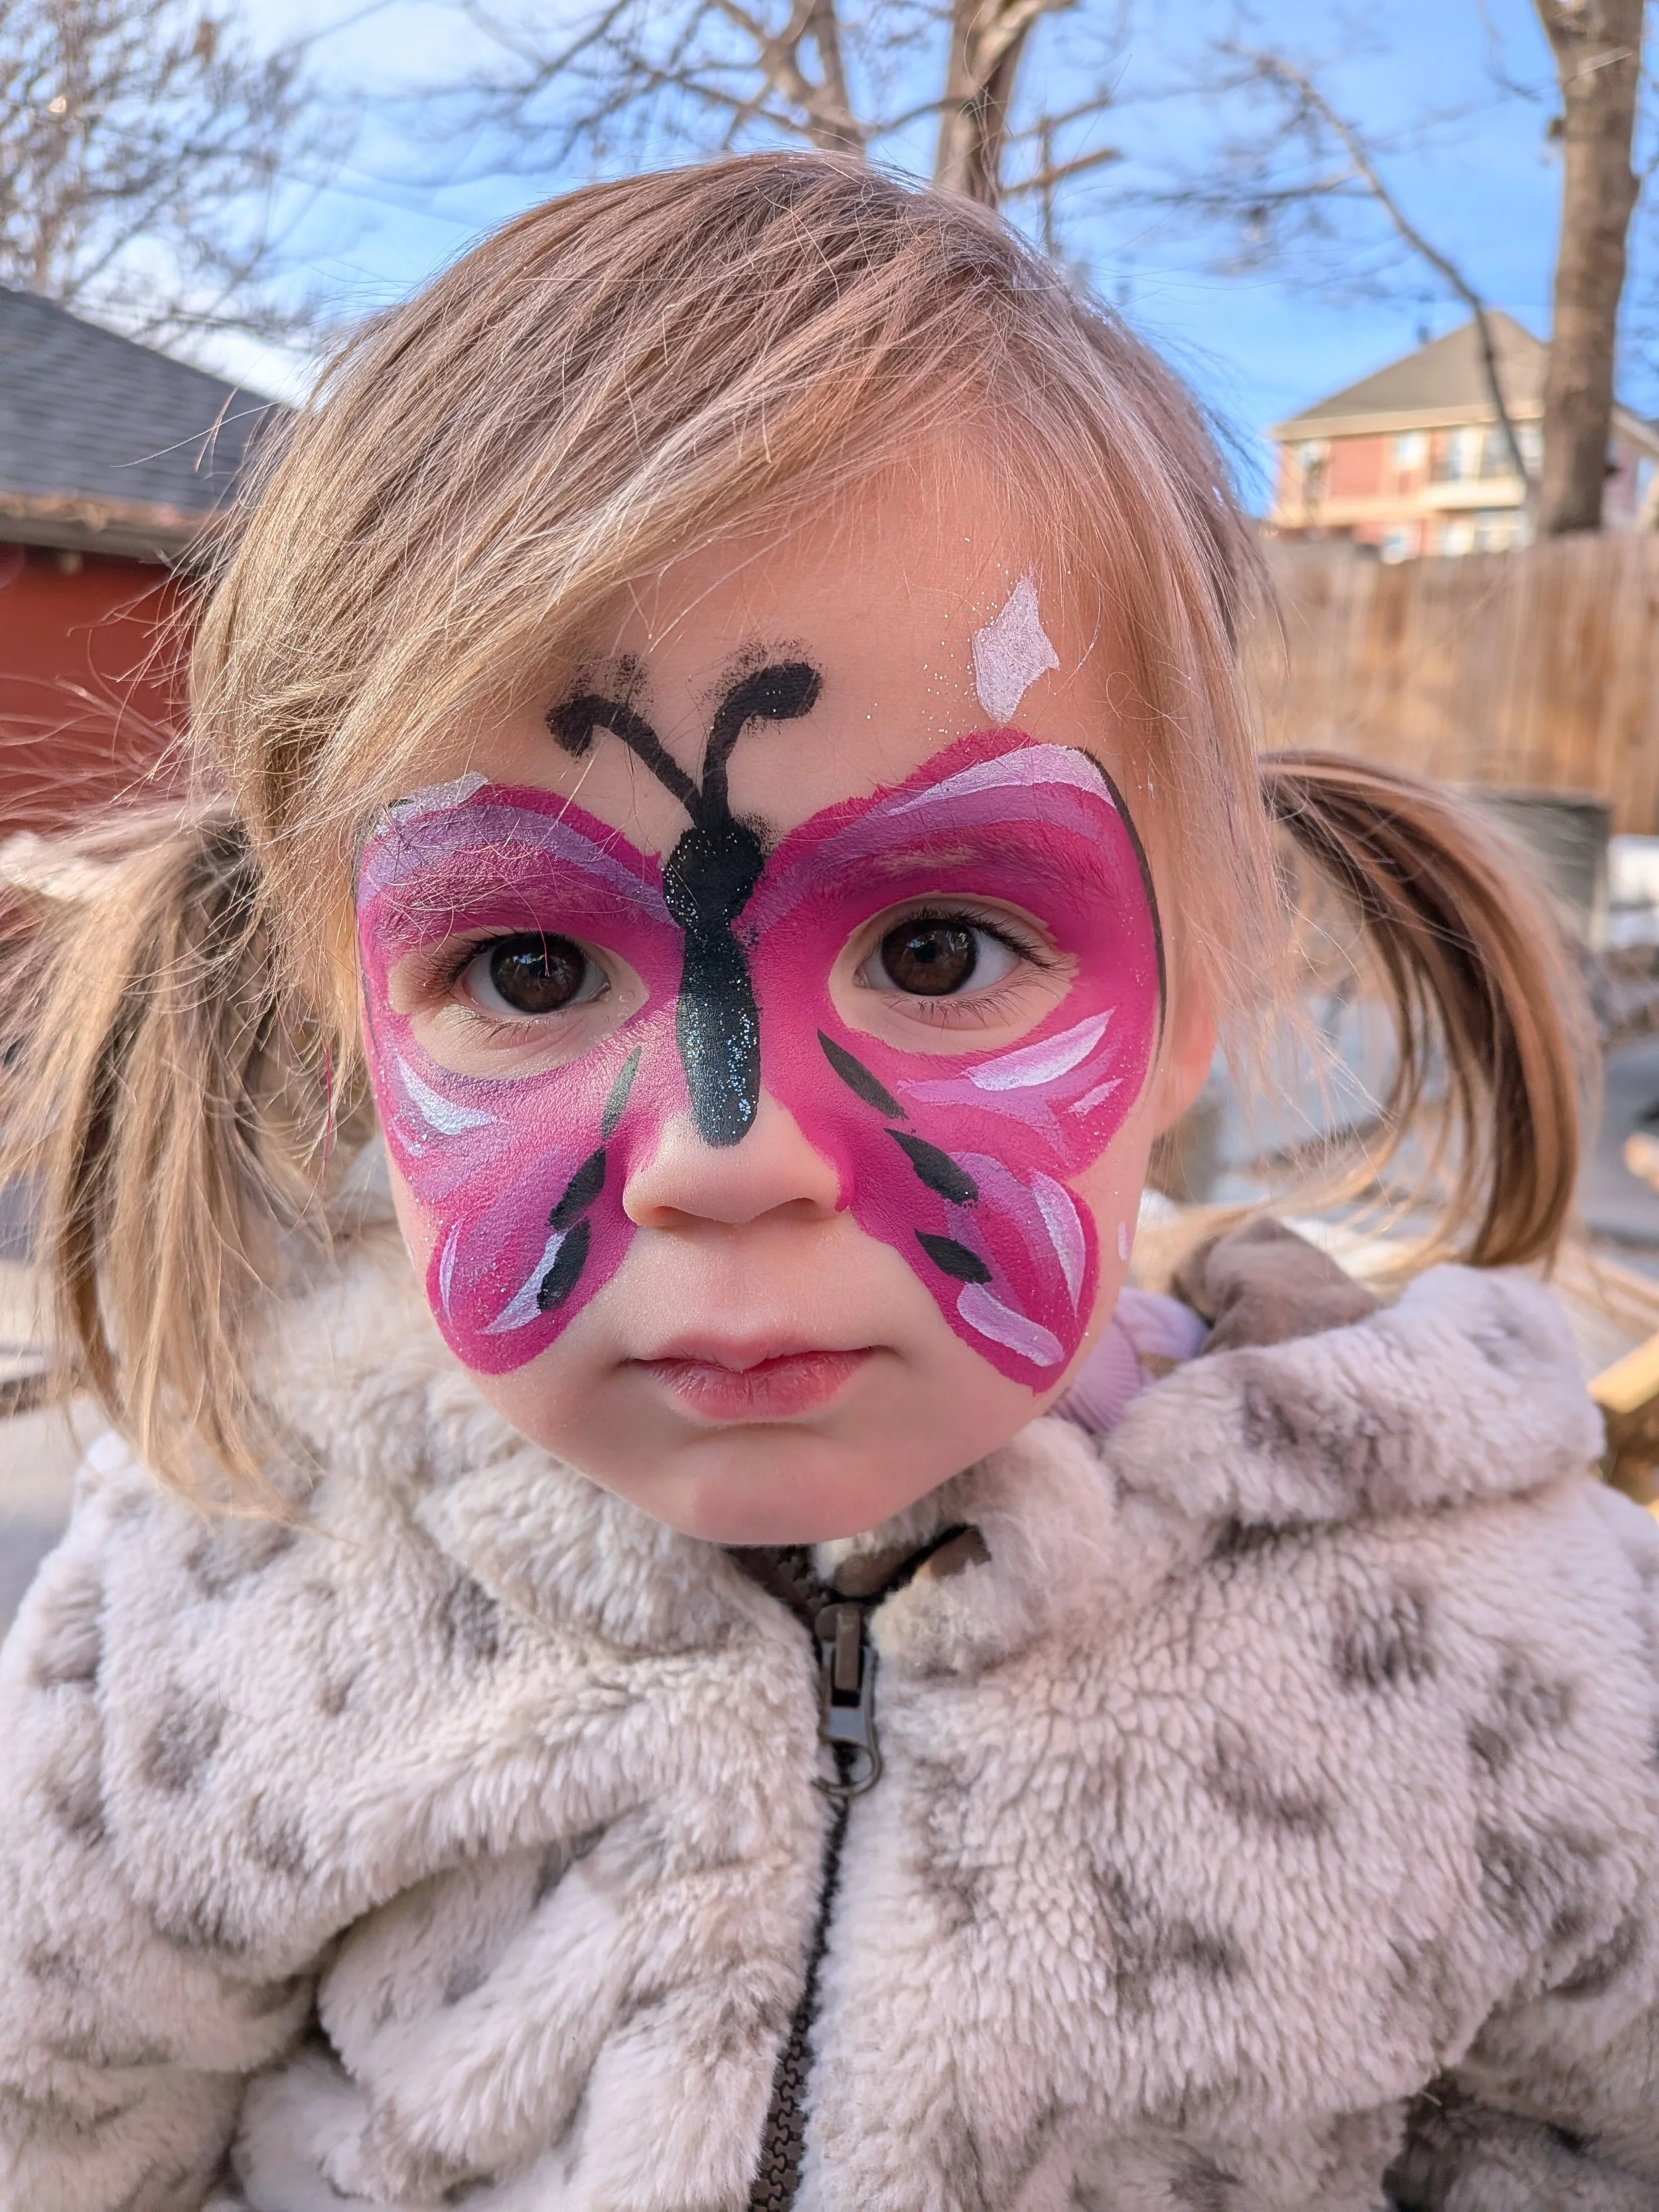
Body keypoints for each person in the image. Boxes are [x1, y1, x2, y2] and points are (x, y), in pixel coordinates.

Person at [1, 154, 1654, 2212]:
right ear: (349, 1020)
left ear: (1200, 988)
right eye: (527, 967)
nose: (724, 1154)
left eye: (939, 949)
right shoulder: (210, 1613)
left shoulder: (1510, 1649)